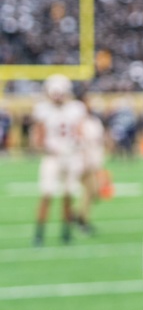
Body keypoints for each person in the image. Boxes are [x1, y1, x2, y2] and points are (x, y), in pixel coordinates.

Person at [31, 74, 86, 246]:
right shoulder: (43, 109)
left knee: (68, 196)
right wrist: (46, 148)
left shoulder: (76, 108)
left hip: (71, 156)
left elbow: (79, 132)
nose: (57, 97)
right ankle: (39, 234)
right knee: (47, 194)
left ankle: (66, 232)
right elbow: (38, 136)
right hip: (52, 157)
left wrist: (77, 146)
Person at [76, 95, 107, 235]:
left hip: (93, 161)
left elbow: (99, 141)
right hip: (82, 162)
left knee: (92, 193)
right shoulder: (80, 123)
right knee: (91, 191)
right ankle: (82, 220)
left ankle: (77, 215)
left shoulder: (94, 122)